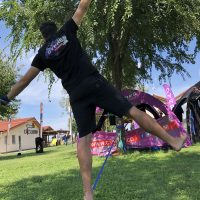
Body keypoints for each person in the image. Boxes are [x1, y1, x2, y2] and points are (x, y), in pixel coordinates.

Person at [0, 1, 187, 200]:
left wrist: (7, 97)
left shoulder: (43, 54)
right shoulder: (66, 31)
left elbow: (24, 80)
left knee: (84, 138)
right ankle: (173, 141)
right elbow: (83, 7)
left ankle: (88, 193)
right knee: (133, 111)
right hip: (94, 83)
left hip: (76, 95)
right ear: (55, 29)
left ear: (43, 36)